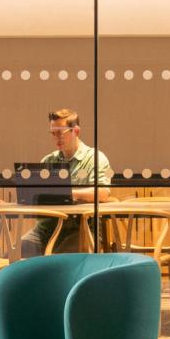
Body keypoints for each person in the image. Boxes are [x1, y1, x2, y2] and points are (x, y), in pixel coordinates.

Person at [25, 106, 114, 253]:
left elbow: (103, 193)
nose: (56, 138)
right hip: (48, 228)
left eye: (60, 133)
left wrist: (67, 193)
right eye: (53, 133)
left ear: (76, 131)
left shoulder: (95, 158)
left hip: (81, 229)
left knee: (60, 258)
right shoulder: (48, 160)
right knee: (15, 252)